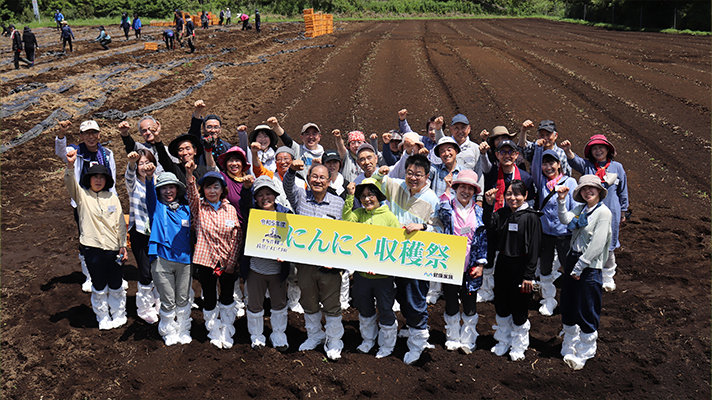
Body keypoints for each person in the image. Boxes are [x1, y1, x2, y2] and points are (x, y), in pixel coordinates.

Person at [371, 154, 443, 365]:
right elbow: (373, 183)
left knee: (414, 298)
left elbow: (440, 229)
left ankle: (418, 342)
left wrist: (423, 227)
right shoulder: (397, 186)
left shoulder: (432, 200)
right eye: (409, 173)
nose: (412, 178)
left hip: (415, 258)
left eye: (418, 175)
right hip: (392, 254)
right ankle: (412, 329)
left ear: (427, 176)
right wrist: (379, 172)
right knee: (400, 296)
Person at [283, 160, 346, 360]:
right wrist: (292, 170)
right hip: (305, 263)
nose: (318, 181)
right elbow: (287, 186)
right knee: (308, 300)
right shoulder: (301, 197)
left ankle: (335, 339)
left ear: (329, 181)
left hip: (329, 264)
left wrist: (338, 263)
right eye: (314, 177)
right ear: (308, 179)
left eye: (322, 178)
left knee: (331, 303)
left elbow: (345, 235)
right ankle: (315, 335)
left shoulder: (339, 203)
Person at [64, 149, 128, 330]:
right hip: (92, 248)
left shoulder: (112, 198)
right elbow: (70, 182)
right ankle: (102, 316)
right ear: (88, 179)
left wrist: (123, 245)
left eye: (102, 177)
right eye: (94, 177)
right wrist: (70, 165)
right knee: (98, 284)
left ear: (106, 180)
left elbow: (120, 224)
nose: (98, 180)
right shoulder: (82, 196)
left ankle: (118, 313)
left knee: (116, 283)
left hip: (114, 248)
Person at [556, 175, 612, 370]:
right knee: (568, 302)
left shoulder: (603, 213)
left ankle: (586, 350)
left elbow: (598, 242)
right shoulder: (580, 210)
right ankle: (570, 342)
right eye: (584, 189)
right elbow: (565, 220)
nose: (588, 191)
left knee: (587, 306)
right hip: (573, 259)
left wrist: (581, 265)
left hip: (589, 265)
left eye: (592, 189)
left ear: (599, 191)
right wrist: (562, 201)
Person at [55, 120, 118, 293]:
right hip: (84, 203)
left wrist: (114, 202)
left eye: (94, 133)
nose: (91, 137)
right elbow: (60, 152)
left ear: (99, 134)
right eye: (86, 134)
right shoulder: (76, 151)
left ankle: (111, 271)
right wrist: (61, 133)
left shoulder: (107, 153)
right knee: (87, 237)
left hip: (105, 201)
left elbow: (112, 179)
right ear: (81, 136)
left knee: (109, 234)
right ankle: (90, 275)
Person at [185, 161, 242, 349]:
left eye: (215, 186)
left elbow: (237, 236)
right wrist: (189, 173)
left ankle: (227, 328)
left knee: (227, 295)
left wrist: (232, 262)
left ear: (222, 190)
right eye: (208, 187)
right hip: (207, 261)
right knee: (209, 295)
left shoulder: (230, 209)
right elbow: (192, 194)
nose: (211, 190)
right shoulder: (199, 208)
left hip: (226, 261)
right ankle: (213, 328)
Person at [342, 179, 400, 358]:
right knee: (364, 308)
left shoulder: (389, 216)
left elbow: (396, 244)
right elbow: (346, 220)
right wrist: (350, 197)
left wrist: (381, 265)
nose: (367, 199)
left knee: (385, 308)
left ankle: (387, 345)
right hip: (362, 276)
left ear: (378, 196)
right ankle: (368, 340)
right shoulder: (359, 214)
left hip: (383, 277)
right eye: (363, 196)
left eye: (371, 195)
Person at [561, 135, 628, 292]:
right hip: (590, 210)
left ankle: (608, 275)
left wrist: (623, 211)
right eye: (594, 148)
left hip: (611, 210)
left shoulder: (617, 167)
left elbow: (623, 190)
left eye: (601, 148)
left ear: (607, 150)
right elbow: (574, 160)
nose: (598, 151)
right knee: (588, 237)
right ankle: (589, 267)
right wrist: (567, 150)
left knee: (609, 243)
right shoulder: (588, 166)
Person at [485, 180, 542, 361]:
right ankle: (503, 340)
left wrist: (529, 275)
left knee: (519, 307)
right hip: (502, 263)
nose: (512, 198)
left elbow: (534, 248)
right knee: (501, 304)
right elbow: (488, 226)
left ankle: (519, 344)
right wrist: (489, 205)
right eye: (509, 194)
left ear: (525, 196)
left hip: (521, 266)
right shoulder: (501, 213)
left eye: (517, 194)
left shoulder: (531, 217)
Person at [437, 170, 487, 354]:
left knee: (470, 300)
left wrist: (481, 264)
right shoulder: (447, 207)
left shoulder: (479, 211)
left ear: (474, 192)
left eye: (470, 188)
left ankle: (468, 336)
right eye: (462, 187)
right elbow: (441, 213)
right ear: (456, 188)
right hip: (451, 261)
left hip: (471, 263)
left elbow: (482, 238)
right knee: (450, 299)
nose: (465, 191)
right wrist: (446, 188)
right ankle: (452, 335)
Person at [480, 139, 534, 303]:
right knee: (490, 253)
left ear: (517, 155)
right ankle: (487, 289)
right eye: (503, 152)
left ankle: (511, 286)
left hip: (517, 222)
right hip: (496, 220)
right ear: (496, 155)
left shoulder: (525, 177)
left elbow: (530, 200)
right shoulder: (491, 174)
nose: (507, 156)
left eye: (511, 152)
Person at [242, 176, 291, 351]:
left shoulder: (285, 214)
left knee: (279, 303)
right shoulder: (252, 212)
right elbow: (244, 203)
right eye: (260, 195)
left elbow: (292, 238)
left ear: (275, 195)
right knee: (255, 303)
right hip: (256, 268)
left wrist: (287, 254)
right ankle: (256, 335)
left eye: (268, 194)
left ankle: (278, 333)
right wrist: (247, 189)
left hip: (277, 270)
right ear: (255, 198)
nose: (265, 198)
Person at [146, 170, 193, 345]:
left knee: (183, 298)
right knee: (167, 299)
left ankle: (183, 329)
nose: (168, 191)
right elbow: (149, 192)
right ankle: (168, 331)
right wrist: (150, 178)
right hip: (161, 258)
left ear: (177, 189)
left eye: (171, 187)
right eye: (164, 188)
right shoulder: (156, 207)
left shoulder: (186, 210)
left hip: (184, 260)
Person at [533, 150, 579, 316]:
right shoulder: (541, 182)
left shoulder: (570, 182)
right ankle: (548, 299)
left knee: (569, 266)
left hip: (564, 233)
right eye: (544, 164)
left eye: (551, 163)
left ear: (559, 164)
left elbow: (575, 207)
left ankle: (572, 299)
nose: (548, 167)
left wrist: (572, 228)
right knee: (545, 267)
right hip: (545, 233)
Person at [125, 149, 162, 325]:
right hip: (139, 231)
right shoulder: (133, 184)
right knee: (145, 270)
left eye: (147, 162)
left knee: (159, 268)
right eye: (141, 163)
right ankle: (144, 306)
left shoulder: (159, 181)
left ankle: (159, 300)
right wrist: (131, 163)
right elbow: (129, 175)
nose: (144, 166)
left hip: (157, 231)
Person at [189, 101, 232, 166]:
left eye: (216, 127)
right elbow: (194, 130)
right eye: (209, 127)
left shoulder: (227, 147)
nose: (213, 130)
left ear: (220, 130)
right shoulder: (200, 143)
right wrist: (198, 111)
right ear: (203, 128)